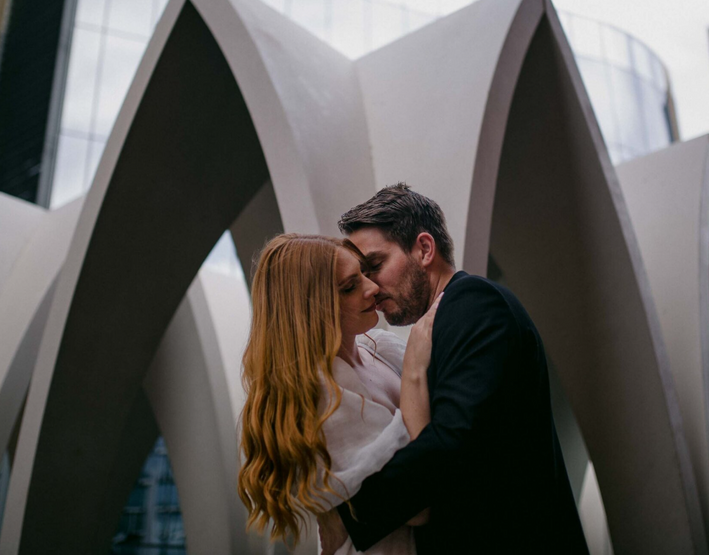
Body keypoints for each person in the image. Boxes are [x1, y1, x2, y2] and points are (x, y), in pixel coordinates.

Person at [320, 183, 588, 554]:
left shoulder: (474, 303)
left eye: (376, 266)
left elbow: (452, 440)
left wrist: (348, 516)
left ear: (425, 249)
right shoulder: (441, 323)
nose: (371, 287)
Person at [237, 233, 439, 554]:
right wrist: (416, 376)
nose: (372, 288)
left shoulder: (382, 350)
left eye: (363, 274)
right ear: (307, 307)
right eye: (349, 286)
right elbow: (415, 504)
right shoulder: (318, 395)